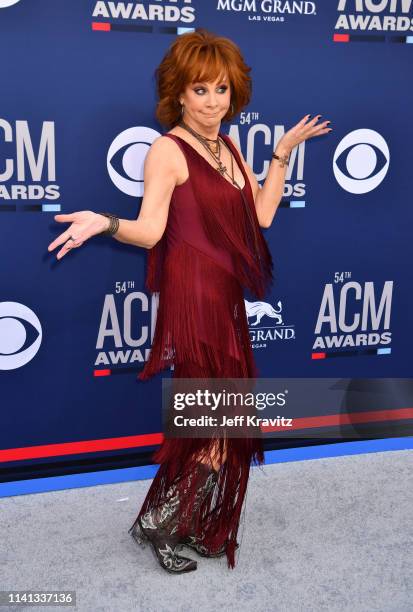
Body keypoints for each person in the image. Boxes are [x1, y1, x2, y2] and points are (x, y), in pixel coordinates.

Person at [47, 28, 331, 574]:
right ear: (178, 93)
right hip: (195, 303)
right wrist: (104, 222)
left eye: (221, 90)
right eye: (200, 90)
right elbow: (152, 232)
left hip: (225, 300)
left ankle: (183, 522)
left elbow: (262, 217)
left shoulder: (227, 146)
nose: (212, 102)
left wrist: (281, 154)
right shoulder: (167, 150)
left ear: (235, 93)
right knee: (210, 425)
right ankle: (164, 526)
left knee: (220, 424)